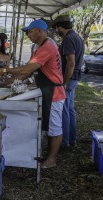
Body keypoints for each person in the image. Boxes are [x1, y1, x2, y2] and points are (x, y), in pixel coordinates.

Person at [0, 19, 66, 168]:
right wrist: (10, 82)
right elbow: (29, 71)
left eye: (30, 31)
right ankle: (45, 153)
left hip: (54, 92)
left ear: (40, 31)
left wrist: (6, 70)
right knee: (48, 125)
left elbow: (28, 69)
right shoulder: (39, 47)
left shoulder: (48, 47)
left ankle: (52, 159)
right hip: (47, 90)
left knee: (54, 127)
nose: (28, 35)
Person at [52, 15, 85, 148]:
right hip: (75, 77)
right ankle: (72, 139)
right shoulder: (77, 37)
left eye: (56, 28)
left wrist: (64, 83)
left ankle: (65, 141)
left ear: (61, 26)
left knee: (64, 110)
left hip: (70, 79)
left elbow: (70, 63)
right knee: (70, 109)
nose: (56, 31)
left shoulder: (68, 39)